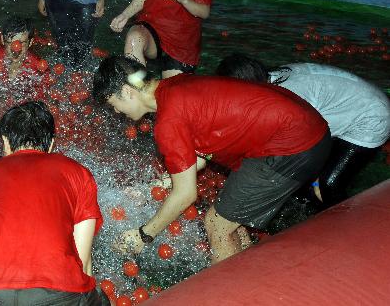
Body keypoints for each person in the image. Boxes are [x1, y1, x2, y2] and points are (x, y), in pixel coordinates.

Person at [92, 56, 331, 264]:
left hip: (294, 143)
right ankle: (250, 271)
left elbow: (186, 194)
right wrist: (156, 187)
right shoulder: (175, 85)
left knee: (216, 224)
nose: (116, 112)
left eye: (114, 105)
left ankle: (234, 294)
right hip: (309, 126)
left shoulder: (168, 121)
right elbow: (199, 158)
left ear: (127, 91)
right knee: (230, 214)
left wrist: (144, 235)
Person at [0, 101, 103, 305]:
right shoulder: (79, 174)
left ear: (5, 142)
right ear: (51, 144)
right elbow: (82, 262)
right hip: (59, 296)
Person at [216, 53, 390, 208]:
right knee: (303, 183)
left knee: (328, 186)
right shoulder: (272, 80)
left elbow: (303, 142)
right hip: (357, 103)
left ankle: (351, 229)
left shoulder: (287, 97)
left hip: (372, 118)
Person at [0, 16, 48, 106]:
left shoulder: (37, 67)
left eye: (22, 43)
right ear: (3, 40)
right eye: (10, 43)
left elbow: (42, 100)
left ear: (30, 42)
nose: (16, 49)